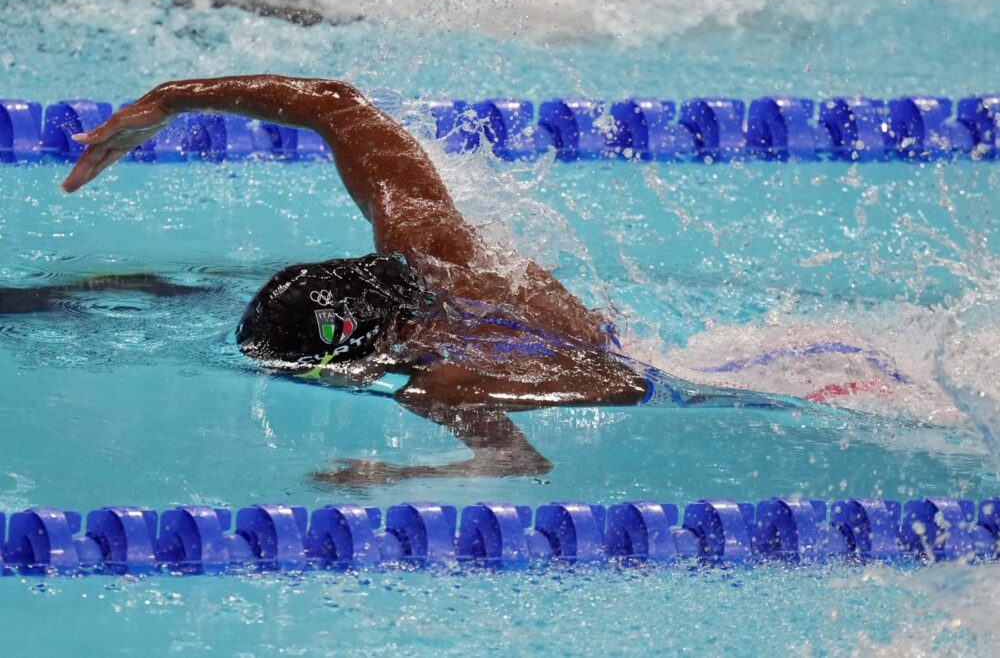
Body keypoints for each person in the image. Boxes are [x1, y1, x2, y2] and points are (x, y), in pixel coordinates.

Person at [61, 75, 813, 486]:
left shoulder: (438, 377)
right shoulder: (429, 245)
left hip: (757, 404)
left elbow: (530, 454)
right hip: (765, 357)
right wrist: (172, 96)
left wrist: (402, 474)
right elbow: (335, 105)